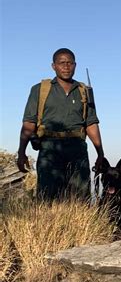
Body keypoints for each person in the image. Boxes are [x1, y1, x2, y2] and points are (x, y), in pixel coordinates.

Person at [17, 48, 105, 200]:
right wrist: (21, 152)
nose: (66, 66)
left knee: (80, 197)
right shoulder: (39, 89)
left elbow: (91, 124)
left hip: (77, 149)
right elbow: (29, 123)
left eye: (70, 63)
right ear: (54, 66)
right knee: (47, 197)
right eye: (62, 63)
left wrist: (100, 154)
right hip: (49, 149)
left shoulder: (84, 91)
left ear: (75, 65)